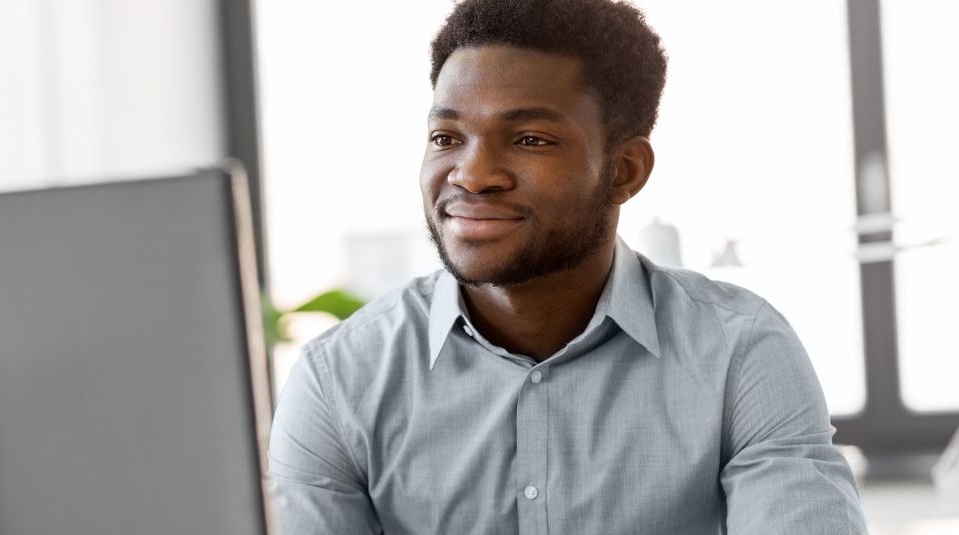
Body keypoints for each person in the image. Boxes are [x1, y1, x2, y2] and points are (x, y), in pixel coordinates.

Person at [266, 0, 869, 533]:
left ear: (625, 171)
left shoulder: (740, 352)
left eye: (530, 139)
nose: (472, 176)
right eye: (447, 138)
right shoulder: (338, 379)